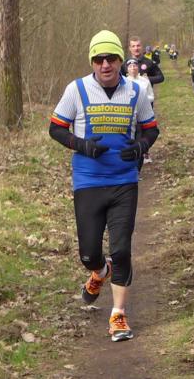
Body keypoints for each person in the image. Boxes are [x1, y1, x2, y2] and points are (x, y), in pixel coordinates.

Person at [48, 30, 159, 342]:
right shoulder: (77, 89)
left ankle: (118, 315)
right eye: (98, 59)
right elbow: (56, 128)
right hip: (88, 181)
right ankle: (99, 271)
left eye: (111, 58)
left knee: (121, 249)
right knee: (88, 254)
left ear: (120, 60)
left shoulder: (135, 91)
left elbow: (151, 129)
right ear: (92, 62)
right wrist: (81, 145)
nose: (105, 64)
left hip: (124, 180)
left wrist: (141, 147)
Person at [125, 58, 155, 169]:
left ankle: (139, 165)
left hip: (142, 114)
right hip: (129, 115)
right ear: (127, 69)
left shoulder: (145, 81)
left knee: (141, 138)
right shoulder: (123, 82)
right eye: (130, 66)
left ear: (138, 68)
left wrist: (142, 99)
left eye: (135, 66)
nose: (133, 68)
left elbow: (152, 96)